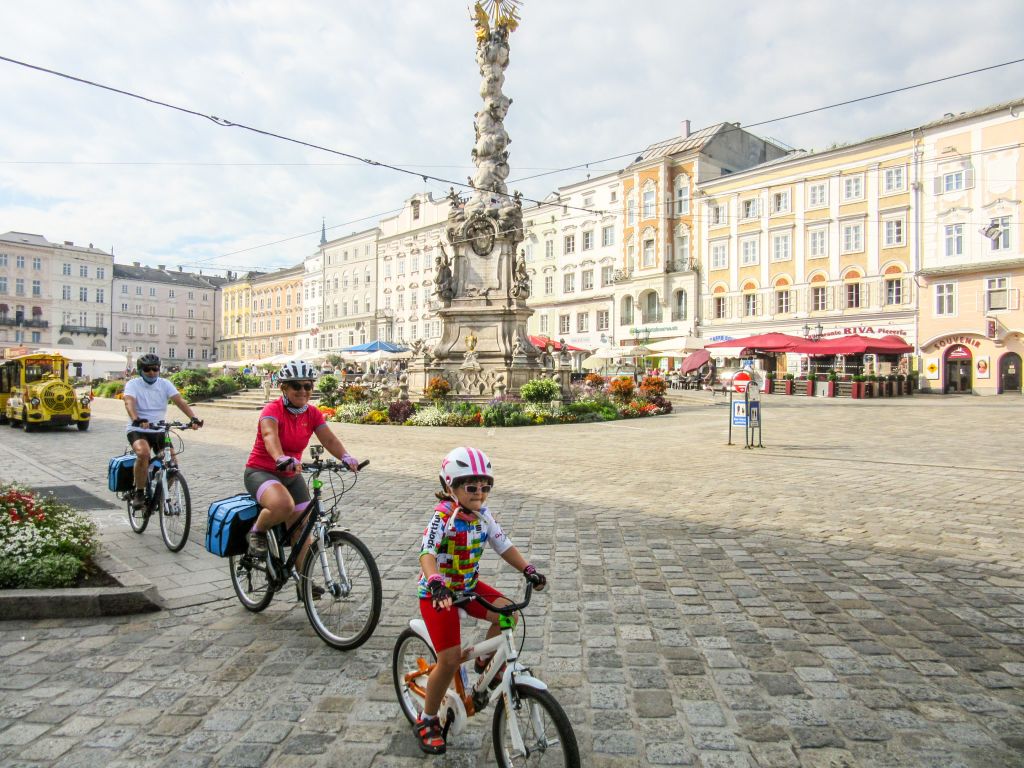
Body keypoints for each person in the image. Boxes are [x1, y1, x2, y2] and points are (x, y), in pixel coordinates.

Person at [412, 447, 547, 755]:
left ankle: (486, 661)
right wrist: (435, 582)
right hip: (439, 594)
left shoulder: (484, 516)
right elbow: (427, 553)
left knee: (507, 614)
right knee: (448, 660)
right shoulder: (443, 516)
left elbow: (504, 545)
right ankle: (428, 718)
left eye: (486, 486)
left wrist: (529, 570)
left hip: (468, 587)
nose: (480, 493)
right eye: (471, 487)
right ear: (450, 487)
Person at [243, 359, 361, 566]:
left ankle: (303, 583)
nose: (303, 391)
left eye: (308, 386)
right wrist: (280, 458)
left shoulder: (312, 413)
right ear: (284, 388)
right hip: (261, 472)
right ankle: (257, 532)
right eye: (296, 386)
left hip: (291, 475)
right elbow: (270, 436)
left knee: (301, 528)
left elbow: (329, 439)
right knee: (283, 505)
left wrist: (345, 456)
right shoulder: (272, 410)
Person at [123, 354, 203, 510]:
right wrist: (136, 418)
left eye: (155, 369)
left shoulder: (165, 384)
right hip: (139, 429)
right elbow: (129, 402)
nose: (152, 372)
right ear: (140, 371)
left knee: (172, 464)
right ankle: (139, 492)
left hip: (159, 430)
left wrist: (193, 418)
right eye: (147, 369)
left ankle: (159, 496)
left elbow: (179, 401)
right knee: (143, 454)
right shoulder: (133, 384)